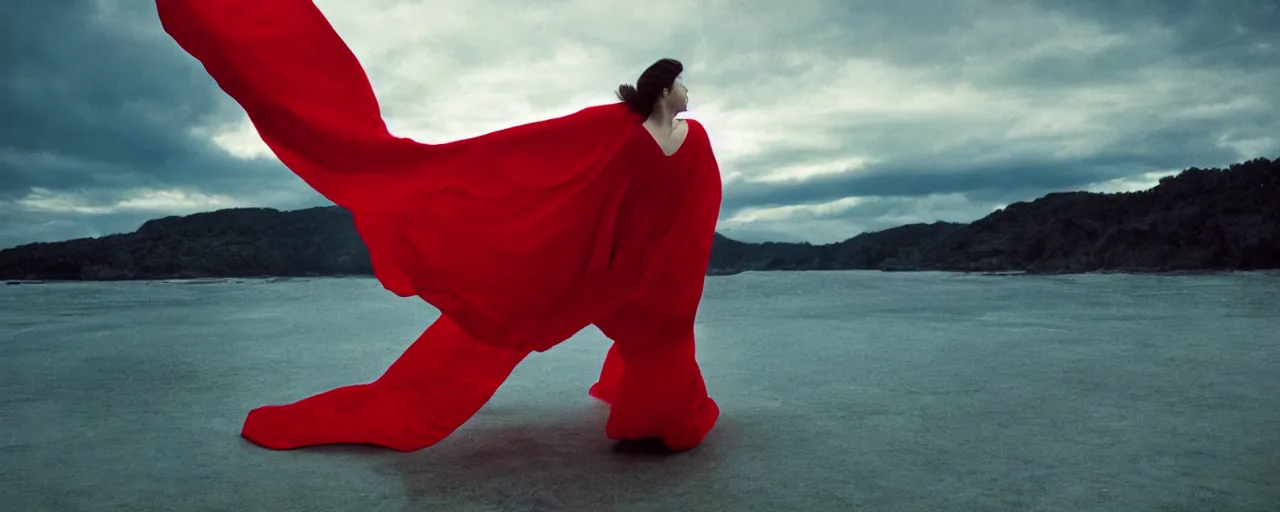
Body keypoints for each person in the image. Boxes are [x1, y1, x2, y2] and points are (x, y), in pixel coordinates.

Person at [156, 0, 722, 452]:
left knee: (664, 325)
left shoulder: (693, 141)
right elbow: (536, 157)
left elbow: (696, 202)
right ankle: (655, 416)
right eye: (680, 82)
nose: (687, 90)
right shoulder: (617, 128)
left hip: (654, 264)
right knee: (503, 325)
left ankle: (656, 417)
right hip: (597, 259)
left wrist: (665, 267)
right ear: (661, 86)